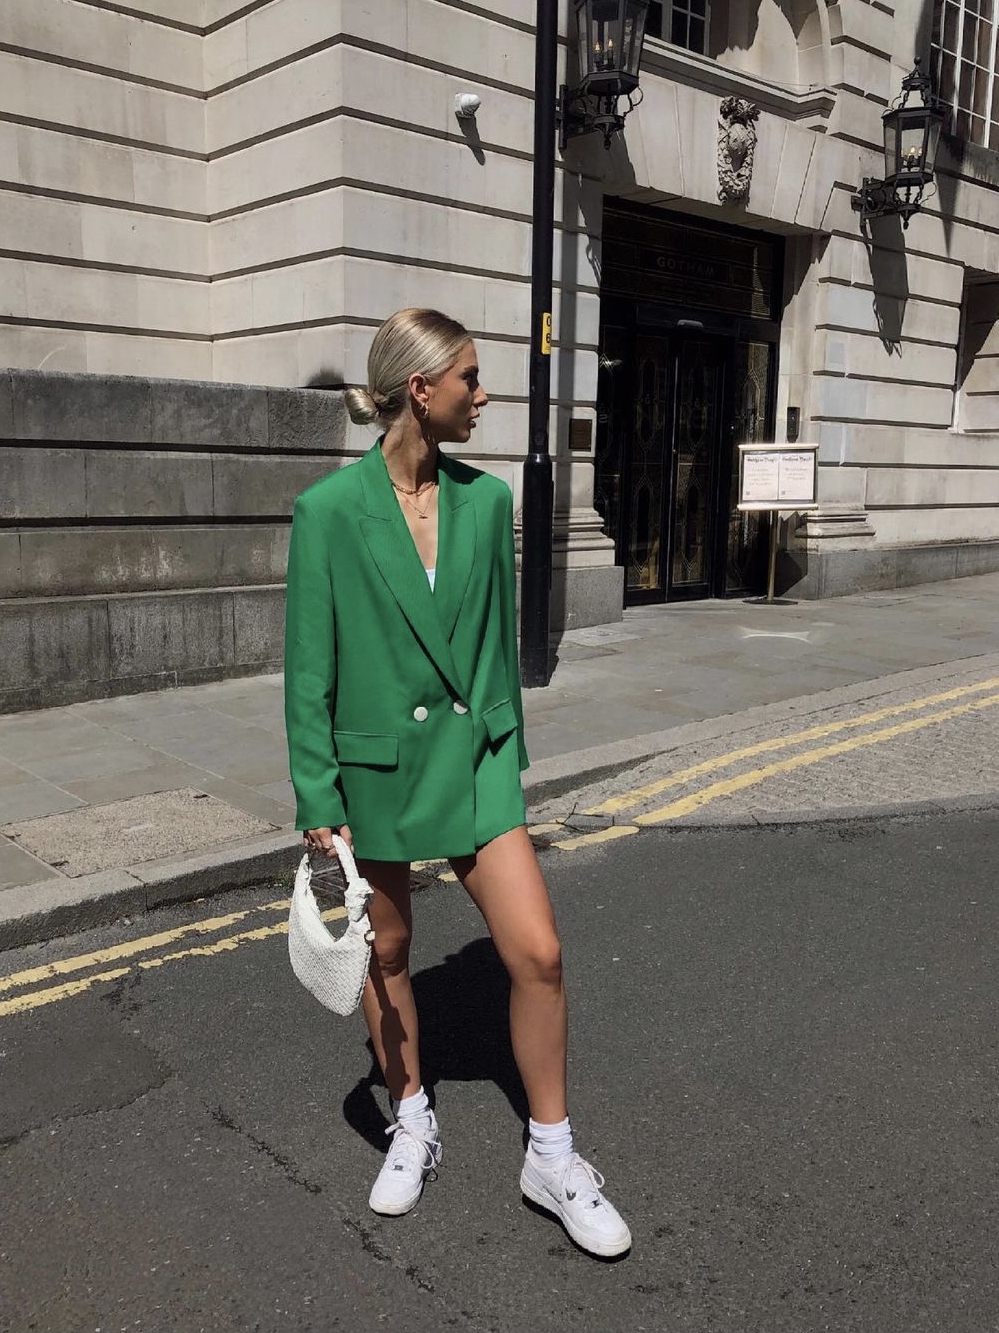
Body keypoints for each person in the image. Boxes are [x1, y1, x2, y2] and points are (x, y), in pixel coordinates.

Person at [284, 308, 631, 1258]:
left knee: (538, 952)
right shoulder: (329, 511)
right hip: (377, 769)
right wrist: (319, 802)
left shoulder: (485, 502)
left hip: (473, 764)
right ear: (419, 389)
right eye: (469, 378)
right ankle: (410, 1116)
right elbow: (308, 670)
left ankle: (551, 1154)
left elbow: (494, 649)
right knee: (388, 952)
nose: (483, 394)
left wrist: (503, 747)